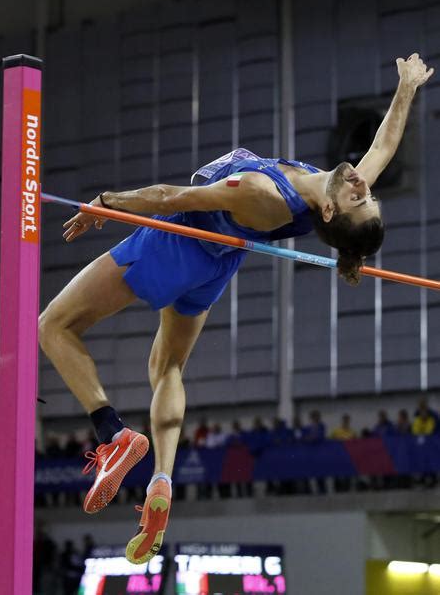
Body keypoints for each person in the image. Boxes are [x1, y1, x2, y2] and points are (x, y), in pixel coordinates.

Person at [39, 54, 433, 564]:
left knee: (53, 325)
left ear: (333, 212)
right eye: (368, 192)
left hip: (175, 248)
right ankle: (161, 479)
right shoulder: (329, 191)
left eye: (359, 198)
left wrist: (108, 203)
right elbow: (383, 145)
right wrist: (407, 87)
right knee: (168, 366)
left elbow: (171, 197)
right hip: (214, 268)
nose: (362, 185)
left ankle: (111, 433)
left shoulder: (264, 194)